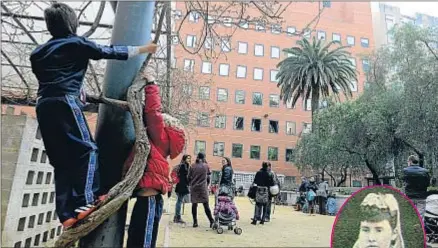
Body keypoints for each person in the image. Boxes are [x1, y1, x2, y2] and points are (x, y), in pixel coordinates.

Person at [29, 3, 158, 228]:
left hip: (44, 105)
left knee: (60, 160)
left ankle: (66, 215)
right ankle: (85, 201)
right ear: (71, 22)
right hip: (65, 103)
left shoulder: (37, 53)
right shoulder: (76, 43)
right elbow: (111, 52)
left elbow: (56, 77)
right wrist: (143, 49)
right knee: (87, 149)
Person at [124, 67, 186, 248]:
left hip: (149, 200)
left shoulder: (159, 138)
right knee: (137, 240)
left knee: (142, 242)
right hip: (147, 199)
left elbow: (153, 113)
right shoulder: (159, 145)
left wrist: (151, 84)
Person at [189, 153, 215, 228]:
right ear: (204, 158)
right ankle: (211, 221)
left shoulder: (192, 165)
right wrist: (207, 184)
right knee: (206, 205)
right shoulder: (206, 166)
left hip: (194, 188)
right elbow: (208, 176)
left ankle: (195, 222)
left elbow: (189, 177)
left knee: (194, 205)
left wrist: (191, 183)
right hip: (203, 188)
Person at [403, 155, 430, 219]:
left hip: (409, 197)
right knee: (420, 217)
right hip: (421, 197)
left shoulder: (405, 171)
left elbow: (403, 182)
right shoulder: (425, 171)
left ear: (410, 161)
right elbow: (427, 184)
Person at [172, 155, 191, 224]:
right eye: (188, 158)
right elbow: (185, 176)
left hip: (180, 185)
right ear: (184, 159)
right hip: (182, 185)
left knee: (179, 201)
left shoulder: (183, 165)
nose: (189, 160)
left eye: (190, 158)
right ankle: (178, 217)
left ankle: (176, 217)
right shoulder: (184, 166)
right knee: (179, 201)